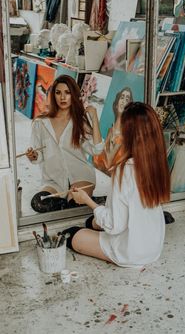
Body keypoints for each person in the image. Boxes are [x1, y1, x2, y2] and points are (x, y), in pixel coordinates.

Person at [62, 102, 171, 267]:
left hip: (131, 251)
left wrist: (86, 200)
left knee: (72, 234)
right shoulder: (156, 163)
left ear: (130, 134)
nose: (115, 131)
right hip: (153, 247)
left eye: (120, 126)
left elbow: (114, 226)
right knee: (93, 221)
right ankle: (95, 225)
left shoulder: (125, 171)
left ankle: (90, 231)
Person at [26, 74, 104, 213]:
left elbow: (97, 149)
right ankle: (84, 200)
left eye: (67, 93)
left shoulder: (79, 121)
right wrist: (33, 156)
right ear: (53, 95)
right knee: (38, 203)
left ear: (73, 95)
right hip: (54, 180)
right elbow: (38, 155)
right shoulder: (40, 123)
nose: (62, 97)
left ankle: (76, 200)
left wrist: (94, 119)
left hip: (80, 176)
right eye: (58, 92)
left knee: (74, 205)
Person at [93, 87, 133, 175]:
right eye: (122, 97)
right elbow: (98, 159)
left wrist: (94, 119)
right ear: (116, 104)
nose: (123, 101)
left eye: (127, 99)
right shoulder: (111, 130)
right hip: (100, 175)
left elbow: (107, 163)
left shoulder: (124, 135)